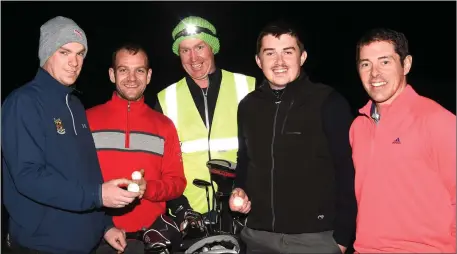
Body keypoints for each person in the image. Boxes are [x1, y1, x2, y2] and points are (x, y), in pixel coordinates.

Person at [1, 16, 140, 254]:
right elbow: (28, 177)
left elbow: (87, 173)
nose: (74, 62)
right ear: (47, 53)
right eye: (64, 52)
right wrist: (97, 195)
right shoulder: (23, 103)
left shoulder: (74, 105)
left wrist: (105, 225)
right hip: (41, 246)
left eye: (80, 54)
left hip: (85, 245)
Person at [229, 20, 357, 253]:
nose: (279, 62)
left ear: (303, 57)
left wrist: (342, 237)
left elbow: (348, 170)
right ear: (259, 60)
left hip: (315, 239)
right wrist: (239, 188)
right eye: (270, 53)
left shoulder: (328, 102)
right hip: (258, 237)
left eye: (288, 52)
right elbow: (245, 160)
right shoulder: (248, 106)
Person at [349, 28, 456, 253]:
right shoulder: (358, 127)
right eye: (365, 64)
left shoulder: (437, 121)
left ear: (406, 64)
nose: (374, 74)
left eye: (385, 62)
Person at [153, 16, 256, 230]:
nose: (193, 58)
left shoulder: (248, 86)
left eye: (200, 47)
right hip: (188, 215)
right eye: (185, 50)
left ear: (213, 48)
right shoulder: (165, 98)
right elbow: (158, 164)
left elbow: (265, 152)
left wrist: (249, 192)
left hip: (243, 209)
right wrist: (180, 207)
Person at [86, 43, 186, 253]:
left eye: (139, 70)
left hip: (151, 239)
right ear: (112, 74)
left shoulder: (164, 125)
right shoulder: (87, 120)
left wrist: (147, 188)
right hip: (98, 237)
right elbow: (77, 181)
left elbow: (176, 183)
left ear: (148, 76)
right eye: (124, 70)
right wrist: (104, 225)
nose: (132, 78)